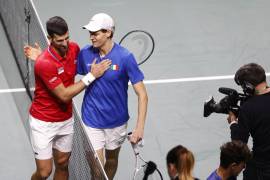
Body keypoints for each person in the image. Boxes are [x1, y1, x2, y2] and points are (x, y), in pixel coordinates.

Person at [24, 16, 111, 180]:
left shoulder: (74, 49)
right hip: (43, 123)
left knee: (63, 164)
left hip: (65, 120)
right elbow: (64, 95)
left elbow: (71, 67)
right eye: (59, 40)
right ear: (49, 39)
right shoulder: (44, 63)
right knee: (44, 172)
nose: (65, 44)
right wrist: (91, 76)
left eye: (67, 38)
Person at [77, 13, 148, 180]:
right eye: (90, 33)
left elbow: (142, 94)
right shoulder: (85, 54)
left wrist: (139, 128)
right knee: (97, 168)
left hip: (116, 122)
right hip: (91, 119)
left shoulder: (125, 57)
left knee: (112, 159)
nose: (91, 37)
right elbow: (66, 72)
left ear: (108, 32)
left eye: (95, 33)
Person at [227, 62, 270, 180]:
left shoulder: (249, 108)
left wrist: (233, 122)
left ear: (248, 86)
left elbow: (239, 143)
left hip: (263, 168)